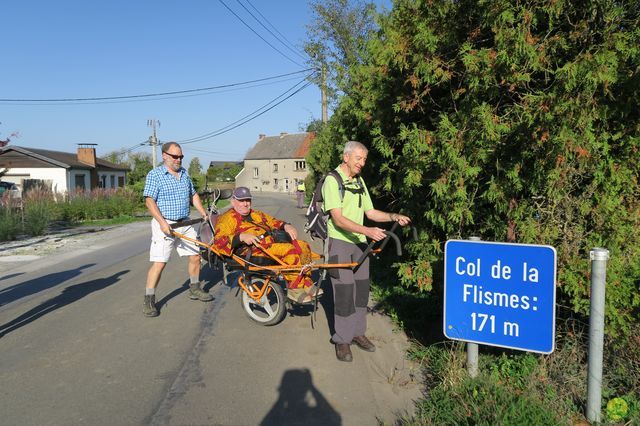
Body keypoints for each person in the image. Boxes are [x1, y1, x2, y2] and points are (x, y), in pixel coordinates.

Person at [322, 141, 411, 362]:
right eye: (358, 158)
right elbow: (339, 219)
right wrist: (367, 231)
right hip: (340, 242)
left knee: (361, 291)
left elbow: (370, 212)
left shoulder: (359, 181)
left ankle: (357, 333)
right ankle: (342, 340)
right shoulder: (332, 181)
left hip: (360, 243)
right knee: (343, 293)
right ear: (346, 157)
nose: (362, 163)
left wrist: (393, 216)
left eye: (364, 159)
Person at [213, 186, 322, 303]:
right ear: (233, 202)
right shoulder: (227, 218)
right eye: (241, 200)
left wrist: (286, 226)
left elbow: (273, 222)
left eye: (248, 200)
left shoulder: (256, 214)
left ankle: (306, 282)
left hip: (269, 245)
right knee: (289, 251)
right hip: (252, 250)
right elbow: (218, 241)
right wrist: (241, 236)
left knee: (303, 246)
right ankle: (294, 289)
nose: (245, 204)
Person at [142, 142, 212, 317]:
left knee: (195, 257)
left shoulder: (184, 174)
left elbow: (193, 195)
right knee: (160, 262)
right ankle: (149, 300)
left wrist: (203, 212)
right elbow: (149, 201)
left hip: (185, 222)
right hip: (164, 223)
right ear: (164, 156)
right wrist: (162, 223)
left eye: (181, 156)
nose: (179, 159)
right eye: (175, 156)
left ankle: (194, 288)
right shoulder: (155, 175)